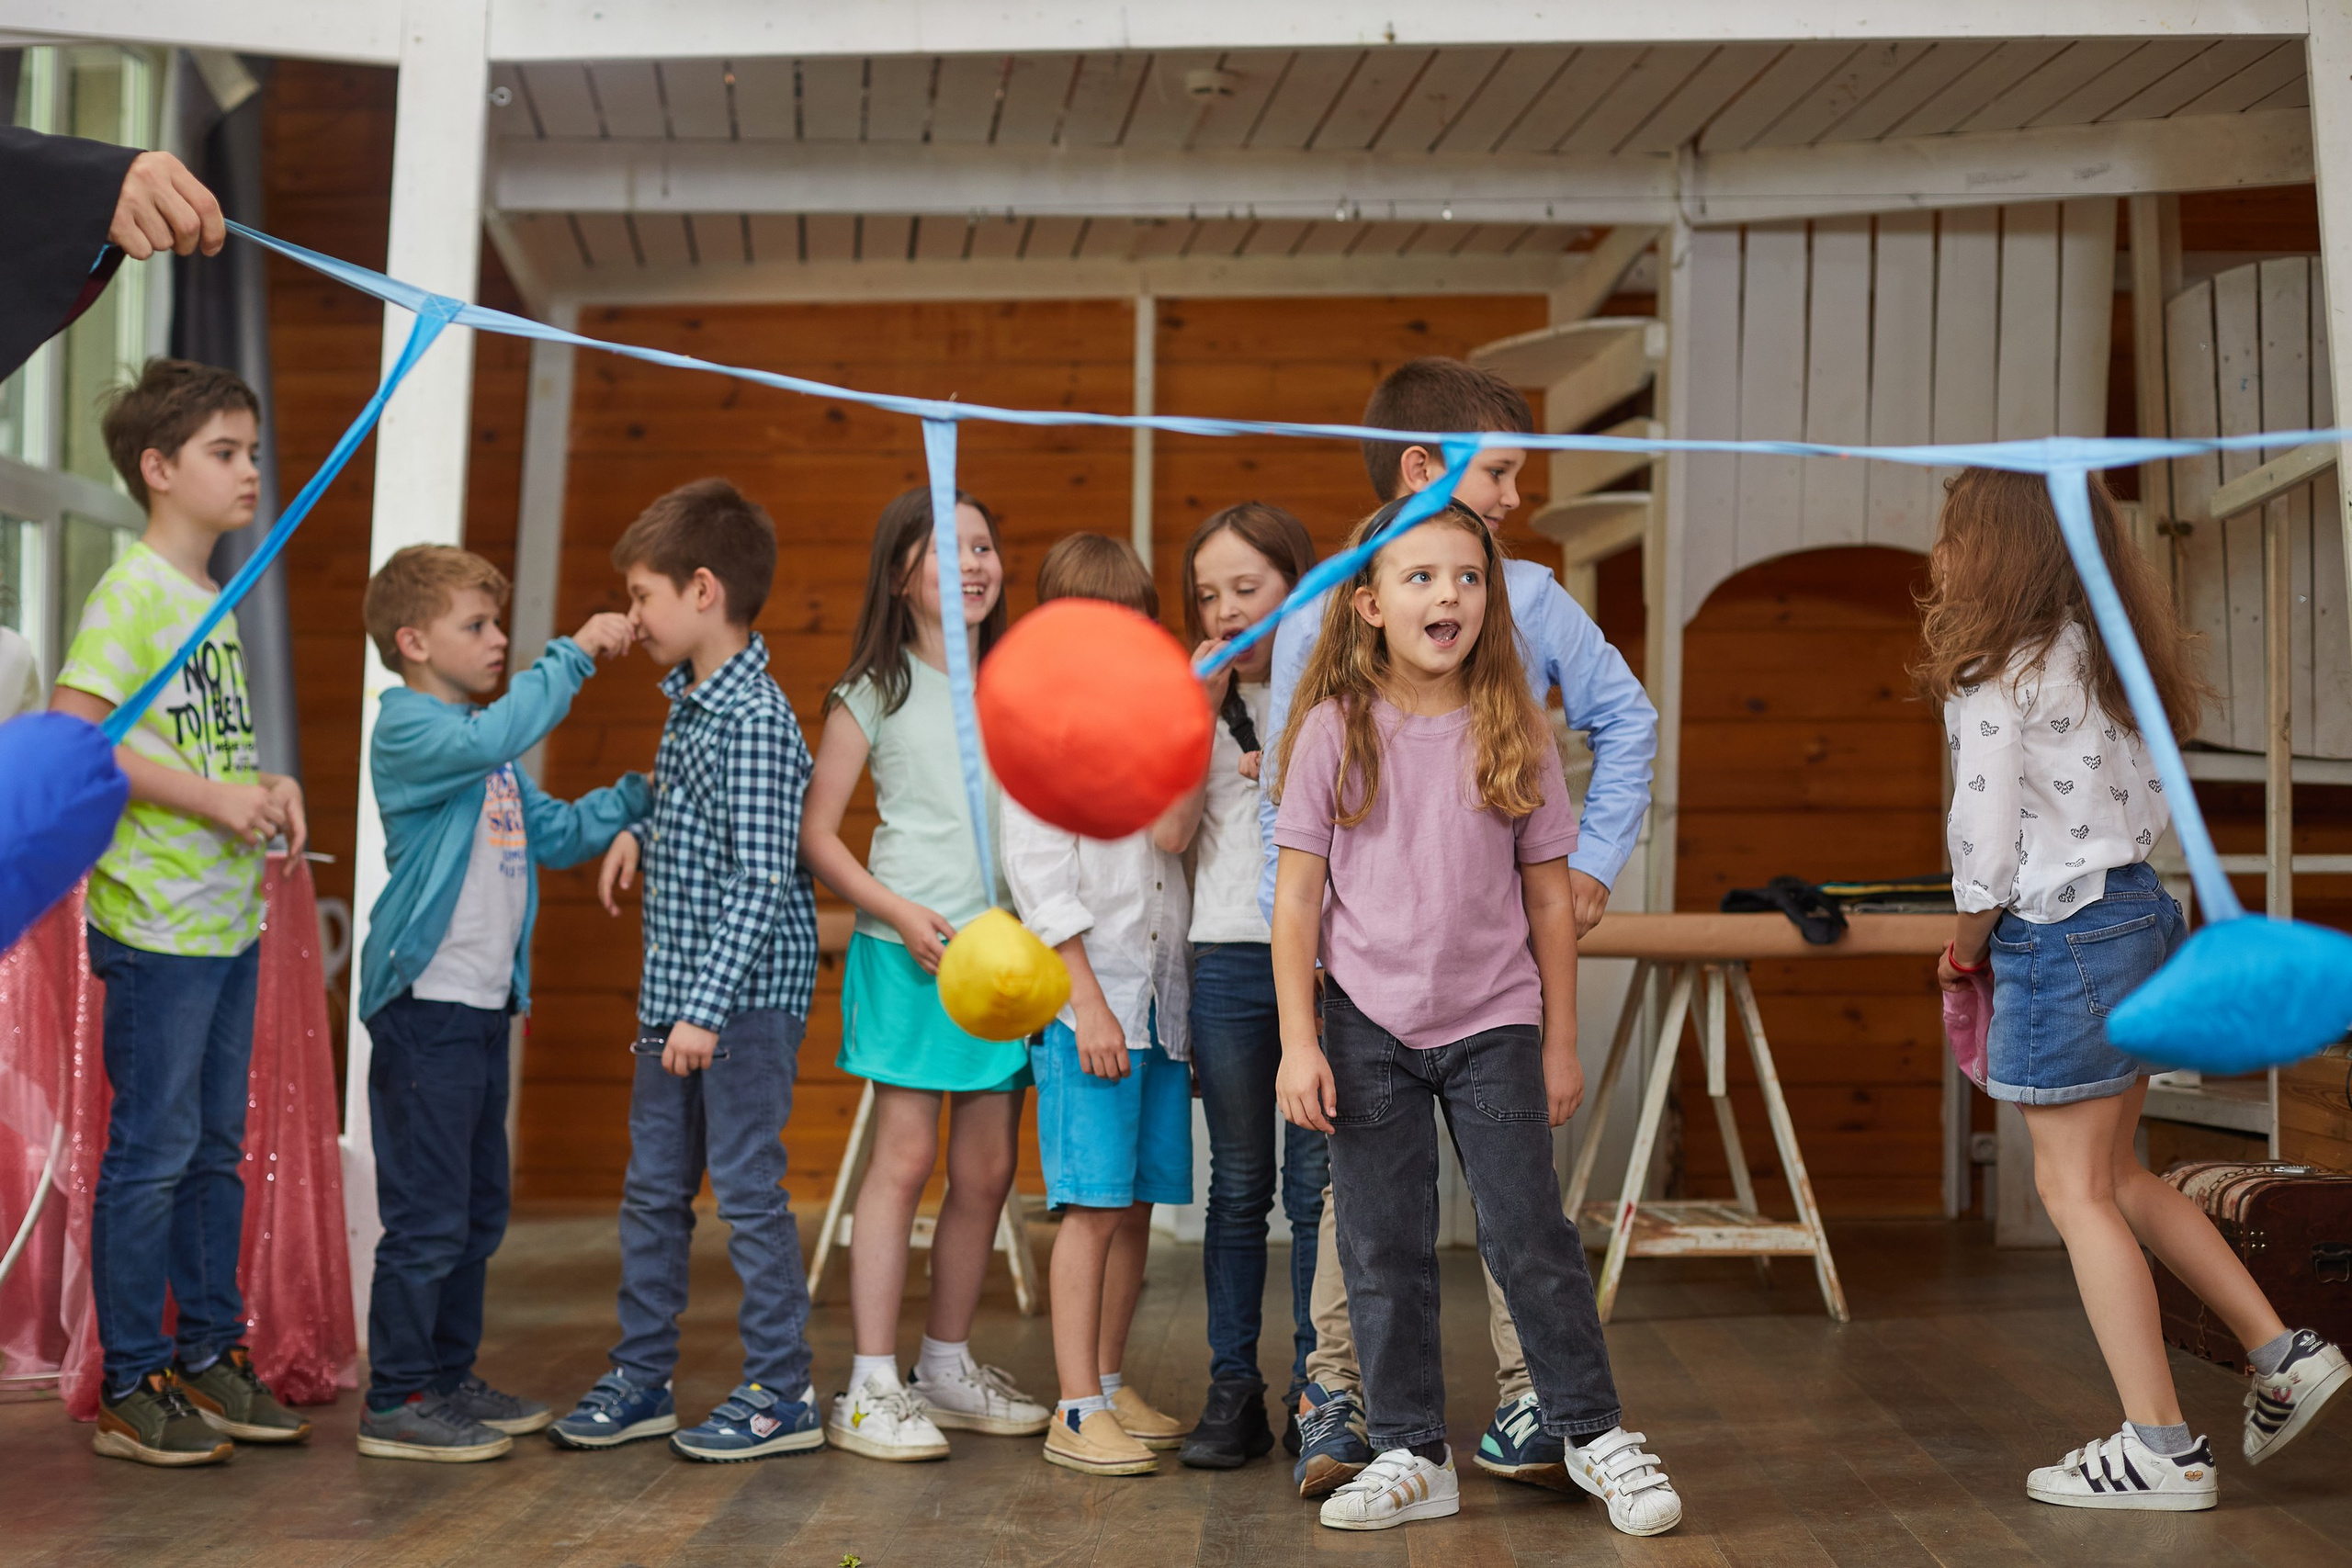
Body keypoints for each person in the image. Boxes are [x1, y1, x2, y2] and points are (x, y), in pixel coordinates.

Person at [1259, 356, 1657, 1498]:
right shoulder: (1332, 719)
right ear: (1370, 597)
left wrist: (1562, 1021)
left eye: (1467, 579)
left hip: (1494, 1017)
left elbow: (1544, 883)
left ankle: (1585, 1426)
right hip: (1366, 1020)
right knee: (1378, 1249)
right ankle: (1403, 1446)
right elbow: (1296, 886)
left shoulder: (1517, 716)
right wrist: (1301, 1034)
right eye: (1421, 574)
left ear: (1488, 596)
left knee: (1529, 1232)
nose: (1451, 593)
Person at [1923, 468, 2350, 1510]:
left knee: (2072, 1194)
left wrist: (1960, 944)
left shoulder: (1991, 679)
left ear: (1985, 551)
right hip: (2138, 914)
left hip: (2061, 933)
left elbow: (1982, 853)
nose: (1936, 556)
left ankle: (2160, 1446)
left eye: (1949, 534)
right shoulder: (2104, 661)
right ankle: (2281, 1350)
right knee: (2121, 1178)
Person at [49, 358, 311, 1466]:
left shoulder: (210, 599)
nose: (250, 471)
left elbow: (197, 745)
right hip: (155, 928)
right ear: (158, 470)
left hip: (223, 919)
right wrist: (212, 798)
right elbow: (81, 734)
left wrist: (267, 785)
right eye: (224, 452)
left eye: (252, 451)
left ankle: (208, 1356)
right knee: (153, 1158)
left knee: (214, 1153)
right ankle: (131, 1382)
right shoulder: (133, 592)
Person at [548, 479, 826, 1463]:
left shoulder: (753, 718)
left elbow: (761, 879)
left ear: (702, 590)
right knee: (652, 1192)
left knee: (746, 1189)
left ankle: (781, 1391)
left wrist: (702, 1015)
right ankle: (642, 1376)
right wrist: (638, 824)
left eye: (642, 595)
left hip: (734, 1007)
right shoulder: (695, 709)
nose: (633, 618)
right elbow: (698, 819)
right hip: (677, 1000)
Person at [353, 545, 648, 1461]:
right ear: (412, 641)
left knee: (478, 1209)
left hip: (481, 1012)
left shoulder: (488, 756)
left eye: (496, 623)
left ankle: (444, 1377)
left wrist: (640, 798)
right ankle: (395, 1396)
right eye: (474, 626)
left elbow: (555, 831)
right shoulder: (413, 731)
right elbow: (493, 737)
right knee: (428, 1215)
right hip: (426, 1013)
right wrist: (574, 655)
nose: (496, 640)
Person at [797, 486, 1051, 1461]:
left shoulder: (1021, 684)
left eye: (985, 546)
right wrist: (899, 914)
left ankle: (943, 1367)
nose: (976, 564)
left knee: (985, 1172)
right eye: (950, 551)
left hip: (1001, 973)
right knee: (902, 1163)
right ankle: (867, 1386)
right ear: (900, 577)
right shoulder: (873, 689)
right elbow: (818, 835)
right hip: (909, 960)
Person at [1001, 534, 1194, 1477]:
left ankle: (1110, 1384)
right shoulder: (1037, 738)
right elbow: (1039, 881)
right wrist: (1088, 1003)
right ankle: (1074, 1408)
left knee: (1135, 1207)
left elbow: (1170, 841)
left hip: (1159, 1003)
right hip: (1094, 1009)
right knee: (1087, 1207)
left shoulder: (1151, 729)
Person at [1154, 503, 1328, 1470]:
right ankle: (1233, 1391)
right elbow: (1171, 834)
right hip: (1227, 960)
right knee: (1237, 1187)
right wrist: (1196, 710)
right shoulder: (1197, 697)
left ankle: (1319, 1387)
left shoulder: (1334, 689)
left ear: (1296, 590)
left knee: (1313, 1189)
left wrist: (1289, 772)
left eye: (1245, 590)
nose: (1223, 611)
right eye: (1208, 595)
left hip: (1317, 962)